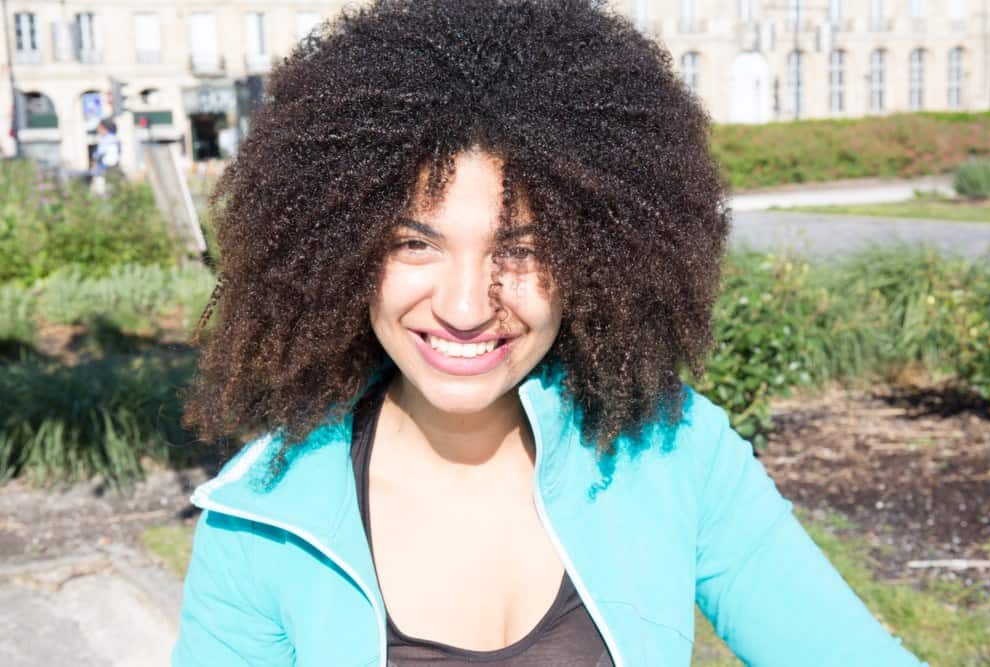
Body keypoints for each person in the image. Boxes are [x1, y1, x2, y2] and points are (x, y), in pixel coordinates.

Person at [173, 1, 927, 665]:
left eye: (521, 250)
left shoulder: (675, 452)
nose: (467, 306)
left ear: (597, 255)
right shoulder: (263, 518)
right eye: (414, 244)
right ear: (339, 250)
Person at [91, 118, 121, 196]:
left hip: (105, 170)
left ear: (104, 128)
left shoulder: (107, 139)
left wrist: (95, 157)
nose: (98, 130)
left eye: (99, 127)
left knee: (103, 193)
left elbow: (99, 154)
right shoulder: (114, 139)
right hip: (112, 169)